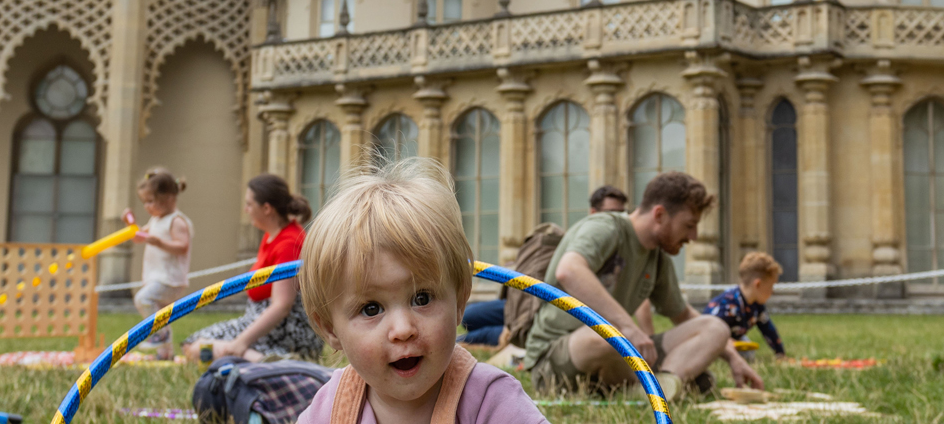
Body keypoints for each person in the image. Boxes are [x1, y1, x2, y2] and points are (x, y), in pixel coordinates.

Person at [296, 158, 548, 424]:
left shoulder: (492, 402)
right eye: (371, 308)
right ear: (330, 329)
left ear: (460, 301)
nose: (403, 329)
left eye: (422, 298)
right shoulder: (331, 409)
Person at [522, 172, 762, 400]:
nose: (694, 236)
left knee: (716, 327)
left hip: (619, 350)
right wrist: (629, 327)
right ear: (659, 215)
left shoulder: (657, 258)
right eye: (689, 225)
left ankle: (664, 387)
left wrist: (731, 355)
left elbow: (685, 316)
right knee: (606, 336)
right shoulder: (605, 228)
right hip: (558, 357)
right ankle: (657, 383)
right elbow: (569, 270)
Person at [457, 185, 632, 347]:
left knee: (480, 334)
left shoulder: (622, 252)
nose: (617, 219)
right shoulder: (582, 238)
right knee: (467, 316)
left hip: (547, 315)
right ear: (594, 212)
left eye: (622, 213)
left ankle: (456, 344)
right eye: (611, 213)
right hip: (523, 304)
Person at [181, 175, 322, 362]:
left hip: (284, 333)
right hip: (262, 325)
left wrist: (241, 342)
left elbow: (282, 306)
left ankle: (263, 359)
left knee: (197, 348)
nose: (245, 210)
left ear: (266, 208)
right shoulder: (272, 235)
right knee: (191, 345)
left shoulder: (289, 243)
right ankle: (255, 358)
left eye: (249, 204)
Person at [130, 169, 192, 353]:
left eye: (151, 201)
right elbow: (141, 234)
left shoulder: (176, 221)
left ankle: (160, 334)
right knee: (161, 314)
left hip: (170, 279)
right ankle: (165, 354)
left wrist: (159, 242)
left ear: (169, 198)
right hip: (158, 276)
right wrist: (130, 225)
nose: (147, 206)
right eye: (144, 202)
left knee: (143, 299)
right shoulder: (156, 219)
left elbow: (183, 246)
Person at [703, 252, 787, 359]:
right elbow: (709, 331)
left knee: (748, 353)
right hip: (711, 341)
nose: (772, 292)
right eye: (771, 286)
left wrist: (780, 353)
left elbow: (768, 330)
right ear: (758, 284)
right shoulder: (729, 305)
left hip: (735, 340)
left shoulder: (757, 306)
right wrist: (725, 342)